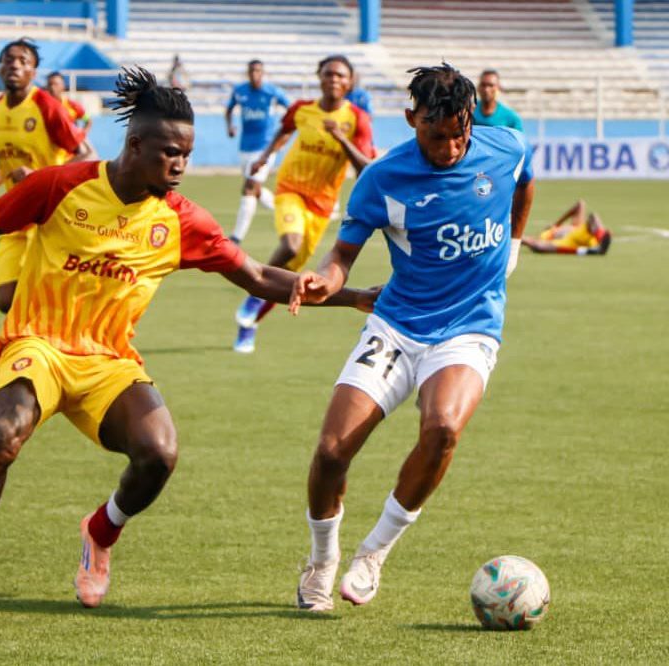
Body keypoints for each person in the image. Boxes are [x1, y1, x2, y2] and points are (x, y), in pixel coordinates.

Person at [0, 67, 376, 625]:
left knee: (159, 454)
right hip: (38, 342)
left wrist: (352, 297)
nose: (180, 165)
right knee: (4, 433)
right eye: (169, 153)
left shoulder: (181, 220)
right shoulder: (64, 184)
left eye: (187, 154)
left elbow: (257, 276)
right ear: (134, 145)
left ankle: (100, 530)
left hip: (108, 360)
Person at [286, 63, 535, 612]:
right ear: (410, 120)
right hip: (397, 325)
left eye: (459, 132)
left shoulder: (508, 146)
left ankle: (373, 553)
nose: (449, 146)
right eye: (434, 133)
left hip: (469, 326)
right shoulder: (382, 177)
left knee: (443, 427)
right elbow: (342, 257)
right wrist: (324, 280)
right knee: (331, 452)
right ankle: (322, 561)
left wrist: (513, 245)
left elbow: (525, 182)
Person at [232, 54, 374, 354]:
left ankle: (250, 325)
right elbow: (284, 130)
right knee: (291, 246)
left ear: (349, 82)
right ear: (319, 77)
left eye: (340, 75)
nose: (333, 79)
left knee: (291, 279)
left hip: (321, 206)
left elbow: (365, 168)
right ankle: (255, 290)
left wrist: (340, 138)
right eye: (328, 74)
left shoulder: (357, 120)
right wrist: (264, 158)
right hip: (291, 189)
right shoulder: (301, 109)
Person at [0, 39, 94, 314]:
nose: (15, 65)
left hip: (50, 214)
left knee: (42, 292)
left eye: (24, 61)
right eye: (9, 59)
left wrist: (39, 176)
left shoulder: (46, 105)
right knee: (5, 300)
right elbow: (5, 161)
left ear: (34, 73)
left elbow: (86, 154)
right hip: (17, 211)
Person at [225, 59, 291, 245]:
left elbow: (291, 110)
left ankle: (236, 238)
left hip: (266, 147)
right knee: (256, 189)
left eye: (258, 71)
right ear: (248, 73)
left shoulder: (272, 92)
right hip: (246, 146)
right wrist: (230, 126)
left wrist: (283, 134)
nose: (255, 75)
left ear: (263, 73)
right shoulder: (240, 91)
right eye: (252, 71)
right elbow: (229, 109)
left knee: (249, 187)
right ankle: (286, 211)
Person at [522, 199, 611, 255]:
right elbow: (592, 215)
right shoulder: (587, 229)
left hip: (562, 239)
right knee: (581, 204)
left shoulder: (591, 242)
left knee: (538, 246)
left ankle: (514, 238)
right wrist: (556, 224)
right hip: (570, 232)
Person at [46, 71, 93, 135]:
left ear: (63, 86)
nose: (52, 87)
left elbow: (88, 120)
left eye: (56, 84)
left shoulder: (72, 105)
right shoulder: (43, 106)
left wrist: (82, 134)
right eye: (50, 84)